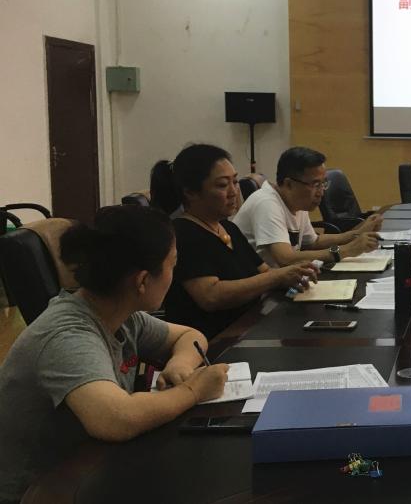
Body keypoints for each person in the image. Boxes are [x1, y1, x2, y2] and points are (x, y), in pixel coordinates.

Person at [0, 205, 228, 502]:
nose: (174, 275)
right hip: (39, 493)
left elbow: (190, 336)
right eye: (172, 265)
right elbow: (116, 419)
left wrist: (180, 365)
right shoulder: (68, 334)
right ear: (142, 281)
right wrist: (193, 390)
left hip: (88, 468)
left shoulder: (121, 314)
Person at [150, 144, 318, 339]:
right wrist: (277, 277)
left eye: (235, 182)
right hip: (214, 341)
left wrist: (293, 275)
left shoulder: (228, 228)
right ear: (191, 192)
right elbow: (211, 296)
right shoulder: (183, 233)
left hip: (251, 327)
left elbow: (264, 272)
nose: (234, 192)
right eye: (222, 185)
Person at [232, 146, 382, 268]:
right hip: (261, 291)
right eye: (316, 184)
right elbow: (285, 258)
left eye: (323, 184)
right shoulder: (266, 203)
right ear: (289, 184)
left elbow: (313, 242)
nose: (321, 192)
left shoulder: (296, 201)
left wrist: (356, 233)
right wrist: (345, 250)